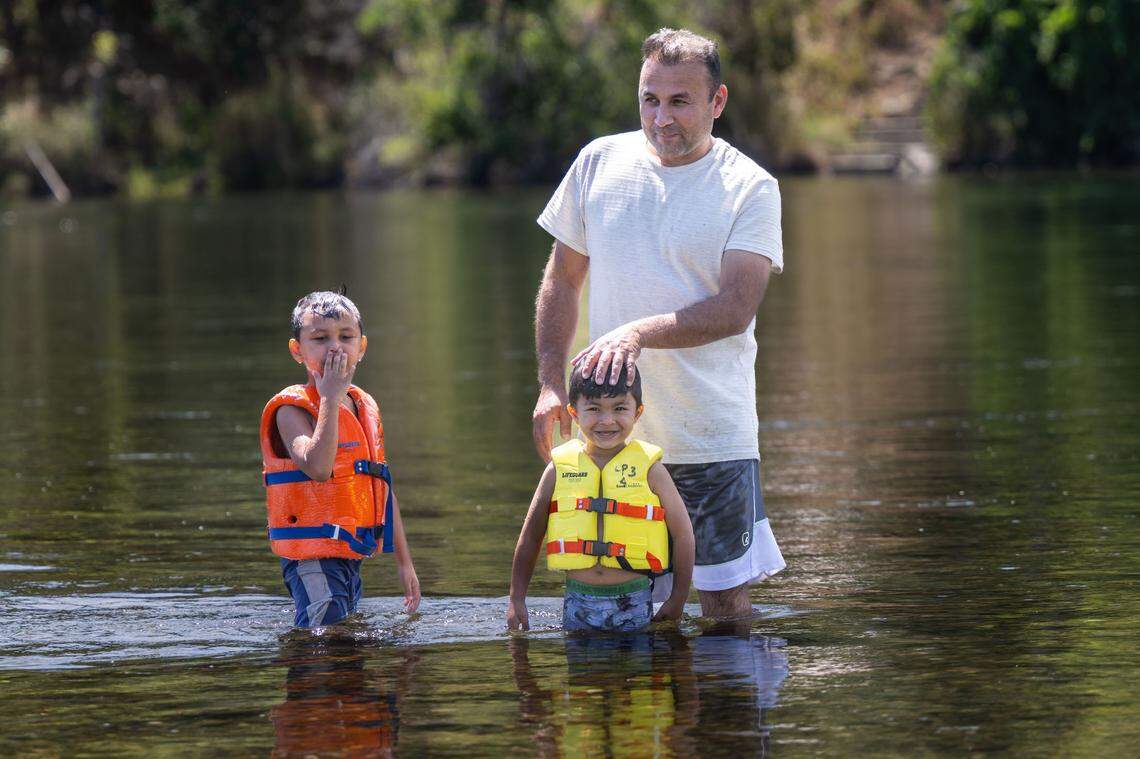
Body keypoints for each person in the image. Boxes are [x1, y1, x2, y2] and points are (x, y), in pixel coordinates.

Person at [531, 28, 786, 618]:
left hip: (710, 439)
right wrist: (549, 383)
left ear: (717, 102)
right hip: (610, 436)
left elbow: (736, 307)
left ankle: (725, 710)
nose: (661, 117)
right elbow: (562, 281)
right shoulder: (598, 162)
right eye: (650, 99)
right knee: (613, 606)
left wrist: (637, 332)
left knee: (723, 609)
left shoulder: (750, 187)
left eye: (680, 101)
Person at [259, 290, 420, 627]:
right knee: (327, 632)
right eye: (320, 339)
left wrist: (404, 563)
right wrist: (329, 398)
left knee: (341, 639)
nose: (335, 347)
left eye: (346, 337)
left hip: (348, 554)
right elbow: (317, 468)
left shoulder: (364, 408)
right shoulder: (291, 410)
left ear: (361, 347)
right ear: (297, 351)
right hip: (311, 556)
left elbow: (382, 486)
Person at [507, 367, 695, 633]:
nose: (607, 421)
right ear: (573, 413)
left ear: (637, 412)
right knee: (584, 675)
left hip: (634, 601)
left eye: (619, 408)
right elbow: (530, 536)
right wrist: (516, 599)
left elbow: (684, 534)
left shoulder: (652, 470)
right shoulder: (558, 469)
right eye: (594, 409)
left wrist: (678, 598)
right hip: (577, 603)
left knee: (636, 672)